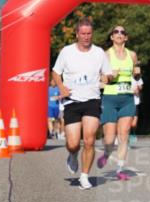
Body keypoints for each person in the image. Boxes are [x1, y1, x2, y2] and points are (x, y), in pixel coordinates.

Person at [51, 18, 112, 190]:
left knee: (90, 140)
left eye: (89, 33)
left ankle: (84, 176)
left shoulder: (99, 53)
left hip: (92, 100)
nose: (86, 37)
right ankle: (73, 154)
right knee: (73, 143)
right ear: (77, 34)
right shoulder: (67, 52)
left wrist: (107, 77)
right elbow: (55, 72)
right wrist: (61, 87)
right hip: (72, 101)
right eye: (83, 33)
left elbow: (108, 74)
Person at [97, 25, 140, 180]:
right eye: (116, 32)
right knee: (109, 139)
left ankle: (120, 169)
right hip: (110, 98)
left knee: (124, 135)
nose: (119, 34)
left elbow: (136, 74)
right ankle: (106, 153)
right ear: (112, 37)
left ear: (126, 37)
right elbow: (99, 78)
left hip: (127, 99)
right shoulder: (105, 55)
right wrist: (109, 76)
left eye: (122, 32)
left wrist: (136, 79)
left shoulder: (132, 55)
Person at [129, 70, 143, 148]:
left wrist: (138, 87)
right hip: (127, 101)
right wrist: (132, 91)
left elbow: (141, 87)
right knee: (126, 122)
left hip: (135, 102)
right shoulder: (126, 77)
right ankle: (127, 138)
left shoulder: (138, 77)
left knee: (134, 124)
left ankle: (132, 132)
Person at [47, 74, 61, 139]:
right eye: (52, 81)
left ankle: (56, 132)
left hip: (57, 107)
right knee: (50, 119)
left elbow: (63, 95)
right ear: (50, 82)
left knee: (56, 120)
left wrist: (58, 97)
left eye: (55, 81)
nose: (53, 83)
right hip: (49, 107)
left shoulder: (58, 89)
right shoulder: (47, 89)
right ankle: (51, 132)